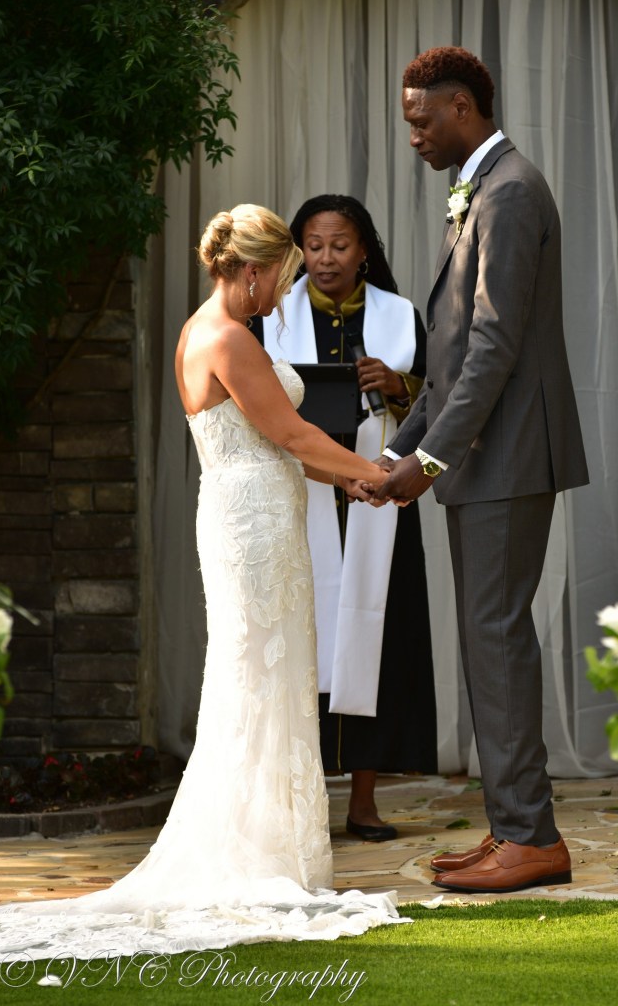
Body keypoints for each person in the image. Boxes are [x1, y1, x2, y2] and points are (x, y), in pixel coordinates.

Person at [0, 205, 403, 962]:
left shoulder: (198, 330)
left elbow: (276, 444)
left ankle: (267, 843)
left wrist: (348, 481)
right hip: (255, 529)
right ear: (250, 271)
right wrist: (377, 473)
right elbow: (290, 433)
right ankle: (253, 855)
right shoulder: (229, 338)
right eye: (279, 278)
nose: (283, 293)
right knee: (259, 679)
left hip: (248, 513)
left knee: (260, 678)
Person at [375, 47, 589, 893]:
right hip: (484, 454)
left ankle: (531, 839)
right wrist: (398, 449)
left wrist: (429, 457)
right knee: (486, 639)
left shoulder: (508, 191)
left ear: (461, 106)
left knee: (496, 640)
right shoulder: (481, 190)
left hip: (507, 453)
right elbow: (453, 352)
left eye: (421, 120)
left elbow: (495, 347)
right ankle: (512, 826)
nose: (415, 137)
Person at [258, 195, 437, 842]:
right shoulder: (273, 317)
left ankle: (363, 802)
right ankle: (297, 805)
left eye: (339, 245)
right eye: (313, 246)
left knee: (381, 640)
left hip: (379, 503)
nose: (325, 258)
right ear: (298, 250)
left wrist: (398, 385)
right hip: (302, 498)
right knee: (298, 640)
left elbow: (441, 399)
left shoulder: (399, 316)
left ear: (364, 251)